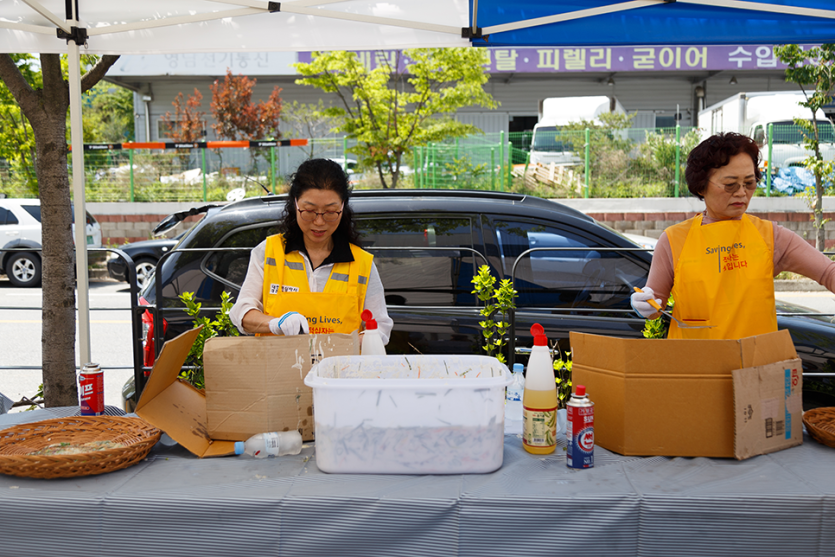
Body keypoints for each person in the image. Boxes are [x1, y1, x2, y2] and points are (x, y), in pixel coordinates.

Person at [630, 132, 835, 339]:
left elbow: (828, 272)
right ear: (701, 186)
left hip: (755, 365)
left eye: (749, 183)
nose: (741, 193)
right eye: (730, 185)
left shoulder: (771, 237)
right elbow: (655, 303)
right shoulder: (674, 239)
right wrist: (645, 304)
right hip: (695, 364)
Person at [229, 158, 393, 343]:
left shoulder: (361, 263)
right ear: (295, 203)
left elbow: (381, 328)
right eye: (309, 210)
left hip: (338, 369)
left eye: (330, 212)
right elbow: (242, 313)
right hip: (279, 369)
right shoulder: (268, 252)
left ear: (343, 207)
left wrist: (354, 343)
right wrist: (275, 324)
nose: (319, 222)